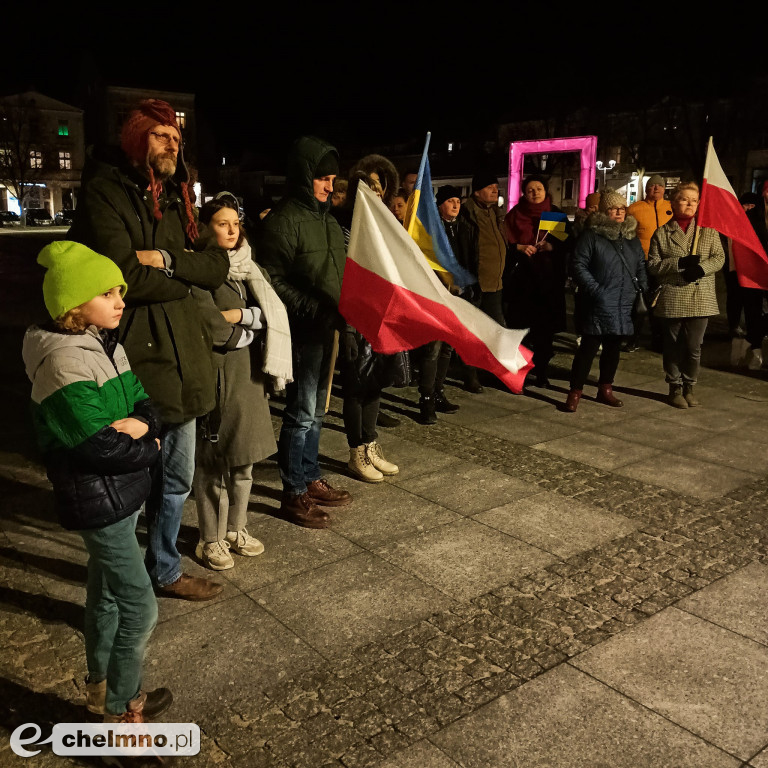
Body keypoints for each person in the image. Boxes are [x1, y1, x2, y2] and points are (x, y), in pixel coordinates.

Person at [69, 99, 226, 601]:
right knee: (130, 486)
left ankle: (163, 568)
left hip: (185, 356)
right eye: (160, 135)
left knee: (177, 480)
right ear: (136, 138)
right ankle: (122, 584)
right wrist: (182, 273)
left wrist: (164, 260)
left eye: (176, 137)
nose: (172, 143)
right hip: (135, 361)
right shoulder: (104, 191)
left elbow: (216, 266)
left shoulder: (179, 197)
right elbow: (120, 277)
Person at [22, 241, 172, 725]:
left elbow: (146, 406)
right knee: (140, 607)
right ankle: (122, 710)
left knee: (105, 595)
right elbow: (96, 446)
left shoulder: (107, 343)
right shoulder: (62, 362)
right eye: (107, 293)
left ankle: (99, 692)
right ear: (73, 304)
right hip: (98, 501)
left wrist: (143, 425)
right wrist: (150, 446)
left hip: (122, 491)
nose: (120, 301)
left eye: (119, 291)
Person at [191, 197, 291, 570]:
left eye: (235, 222)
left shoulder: (249, 268)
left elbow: (269, 314)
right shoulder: (201, 270)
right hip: (218, 375)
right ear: (206, 227)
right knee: (215, 463)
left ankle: (237, 528)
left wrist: (245, 315)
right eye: (222, 223)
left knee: (245, 461)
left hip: (248, 376)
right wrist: (250, 324)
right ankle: (209, 538)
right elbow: (214, 328)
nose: (232, 230)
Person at [259, 136, 352, 526]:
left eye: (332, 179)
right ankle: (292, 491)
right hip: (300, 330)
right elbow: (270, 278)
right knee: (300, 413)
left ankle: (310, 475)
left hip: (326, 328)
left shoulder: (327, 222)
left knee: (317, 411)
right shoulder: (283, 220)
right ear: (303, 177)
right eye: (322, 178)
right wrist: (311, 306)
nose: (330, 187)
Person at [332, 173, 400, 481]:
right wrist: (346, 326)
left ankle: (371, 444)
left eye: (377, 189)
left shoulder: (382, 229)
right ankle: (356, 452)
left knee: (375, 383)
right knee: (356, 388)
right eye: (367, 190)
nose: (373, 194)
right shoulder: (343, 229)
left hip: (379, 316)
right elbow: (341, 279)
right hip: (354, 318)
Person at [564, 192, 648, 412]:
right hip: (599, 300)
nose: (619, 211)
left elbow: (640, 264)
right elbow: (578, 265)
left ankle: (605, 388)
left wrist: (642, 287)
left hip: (624, 301)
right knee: (589, 348)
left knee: (613, 347)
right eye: (614, 208)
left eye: (622, 207)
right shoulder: (591, 236)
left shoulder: (631, 238)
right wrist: (596, 290)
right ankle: (575, 391)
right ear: (603, 211)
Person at [648, 182, 725, 408]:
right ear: (673, 202)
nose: (689, 204)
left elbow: (719, 258)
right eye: (684, 199)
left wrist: (701, 269)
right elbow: (653, 265)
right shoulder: (662, 233)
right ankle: (674, 386)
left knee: (693, 346)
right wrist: (678, 263)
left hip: (701, 296)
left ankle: (690, 385)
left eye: (694, 200)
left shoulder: (708, 230)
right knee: (672, 344)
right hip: (673, 295)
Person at [504, 174, 569, 387]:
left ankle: (541, 373)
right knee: (521, 331)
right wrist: (519, 248)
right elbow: (504, 245)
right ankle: (519, 372)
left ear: (545, 190)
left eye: (539, 188)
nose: (535, 193)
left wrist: (552, 247)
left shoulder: (555, 214)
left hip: (548, 283)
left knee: (544, 332)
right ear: (524, 192)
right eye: (530, 189)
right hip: (522, 283)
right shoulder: (514, 215)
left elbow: (568, 245)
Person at [460, 172, 507, 326]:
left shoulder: (493, 212)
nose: (495, 190)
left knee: (492, 328)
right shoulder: (467, 214)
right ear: (477, 192)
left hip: (495, 284)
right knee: (477, 329)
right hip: (477, 286)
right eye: (489, 187)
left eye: (496, 187)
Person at [741, 184, 768, 368]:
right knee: (753, 310)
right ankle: (755, 349)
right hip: (755, 271)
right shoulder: (751, 216)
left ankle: (751, 339)